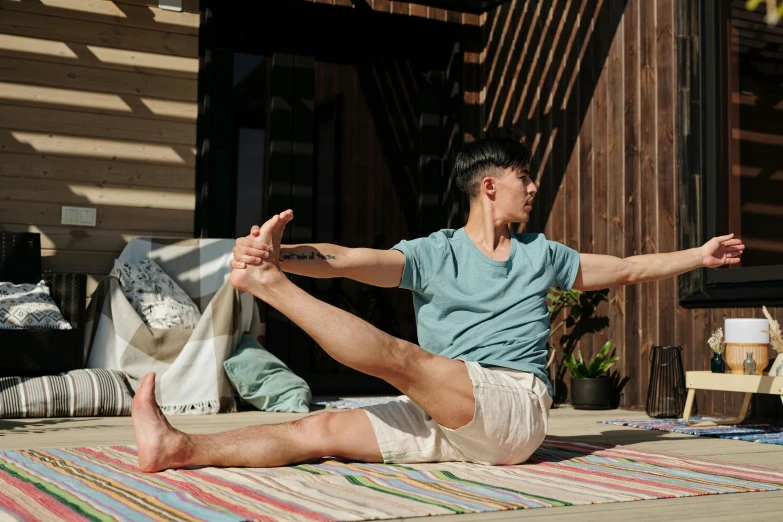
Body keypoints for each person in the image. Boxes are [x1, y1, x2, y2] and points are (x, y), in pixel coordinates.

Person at [130, 138, 744, 473]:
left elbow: (631, 268)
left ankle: (270, 290)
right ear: (489, 184)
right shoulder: (435, 253)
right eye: (523, 177)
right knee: (316, 428)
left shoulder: (544, 254)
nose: (533, 188)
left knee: (404, 359)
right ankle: (179, 449)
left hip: (511, 408)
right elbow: (347, 257)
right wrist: (281, 253)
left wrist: (699, 255)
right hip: (442, 412)